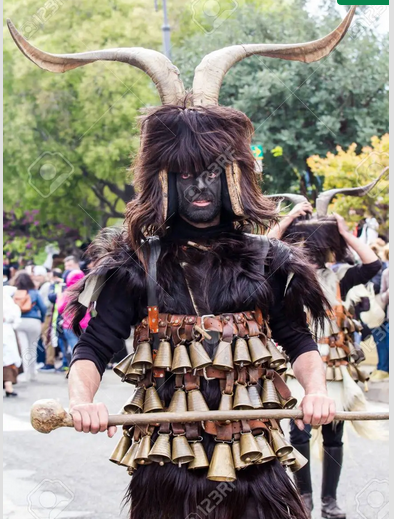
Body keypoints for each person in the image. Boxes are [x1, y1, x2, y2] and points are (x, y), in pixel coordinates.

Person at [8, 6, 359, 519]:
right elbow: (94, 346)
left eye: (210, 172)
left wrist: (317, 390)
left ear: (231, 176)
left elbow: (299, 340)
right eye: (183, 173)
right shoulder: (136, 265)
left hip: (255, 463)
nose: (199, 185)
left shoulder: (267, 261)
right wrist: (83, 400)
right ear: (163, 180)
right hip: (165, 468)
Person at [269, 207, 381, 519]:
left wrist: (346, 233)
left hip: (335, 366)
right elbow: (260, 252)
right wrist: (288, 219)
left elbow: (374, 264)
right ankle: (303, 498)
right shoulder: (286, 277)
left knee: (334, 434)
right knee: (300, 433)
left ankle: (329, 501)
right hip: (299, 367)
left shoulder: (342, 277)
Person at [12, 271, 47, 382]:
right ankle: (33, 373)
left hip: (19, 322)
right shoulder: (35, 292)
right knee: (33, 347)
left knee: (23, 347)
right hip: (33, 322)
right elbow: (43, 308)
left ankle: (24, 374)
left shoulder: (14, 292)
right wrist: (41, 319)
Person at [57, 270, 90, 355]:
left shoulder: (67, 293)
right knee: (87, 348)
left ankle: (76, 367)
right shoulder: (87, 291)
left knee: (74, 349)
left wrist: (58, 298)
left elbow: (60, 309)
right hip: (85, 324)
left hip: (69, 325)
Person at [39, 268, 64, 372]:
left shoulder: (52, 286)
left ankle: (50, 362)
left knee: (48, 338)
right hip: (58, 315)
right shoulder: (63, 284)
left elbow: (47, 302)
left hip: (51, 315)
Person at [370, 245, 389, 381]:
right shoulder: (386, 272)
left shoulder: (380, 268)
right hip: (382, 313)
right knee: (381, 340)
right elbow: (383, 294)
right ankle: (382, 368)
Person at [3, 285, 22, 397]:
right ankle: (9, 387)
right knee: (8, 360)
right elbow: (16, 320)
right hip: (7, 333)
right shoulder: (11, 307)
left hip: (7, 332)